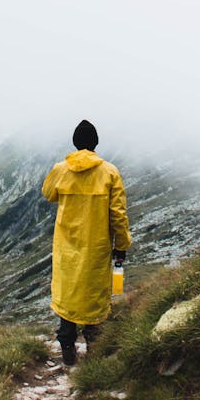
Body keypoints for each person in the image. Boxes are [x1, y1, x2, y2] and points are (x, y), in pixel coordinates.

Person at [42, 119, 132, 365]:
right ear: (95, 144)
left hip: (66, 247)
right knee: (94, 299)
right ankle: (94, 355)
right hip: (97, 248)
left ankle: (68, 355)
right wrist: (122, 245)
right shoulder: (110, 172)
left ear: (74, 143)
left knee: (68, 298)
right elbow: (118, 214)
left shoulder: (61, 169)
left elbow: (48, 193)